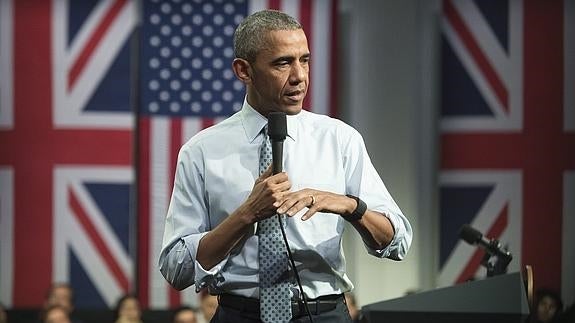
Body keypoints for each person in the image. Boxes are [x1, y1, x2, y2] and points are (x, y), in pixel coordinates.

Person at [159, 9, 412, 323]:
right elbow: (176, 267)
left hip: (324, 314)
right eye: (283, 63)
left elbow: (398, 242)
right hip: (239, 314)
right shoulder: (201, 151)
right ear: (243, 71)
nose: (300, 76)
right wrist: (245, 215)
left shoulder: (339, 139)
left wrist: (350, 206)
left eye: (304, 60)